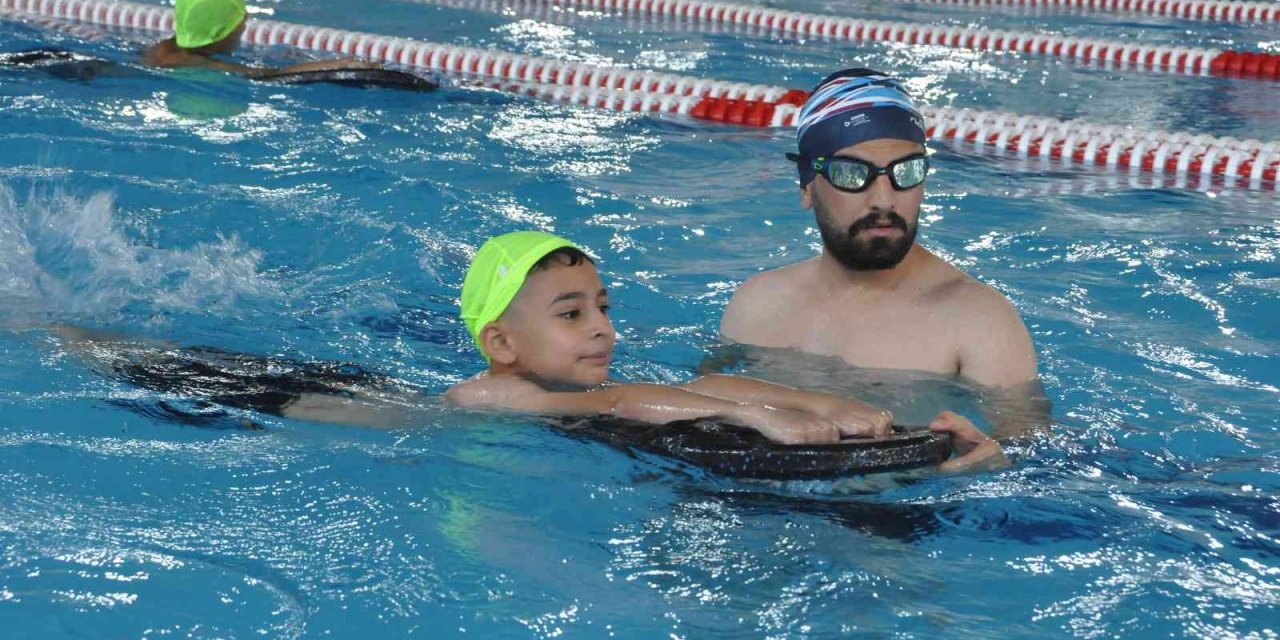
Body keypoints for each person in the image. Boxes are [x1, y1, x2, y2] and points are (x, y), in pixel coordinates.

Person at [443, 231, 1005, 469]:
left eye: (603, 309)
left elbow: (690, 390)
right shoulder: (490, 396)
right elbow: (620, 405)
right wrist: (750, 415)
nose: (602, 329)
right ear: (501, 343)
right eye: (571, 314)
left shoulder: (570, 379)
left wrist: (820, 404)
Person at [719, 68, 1047, 438]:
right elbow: (700, 414)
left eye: (905, 171)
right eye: (851, 173)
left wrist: (987, 465)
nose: (884, 199)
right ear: (808, 186)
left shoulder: (979, 323)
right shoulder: (757, 303)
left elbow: (1032, 456)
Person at [142, 0, 378, 77]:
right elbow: (270, 75)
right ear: (224, 33)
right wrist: (340, 64)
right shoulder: (205, 65)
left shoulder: (162, 49)